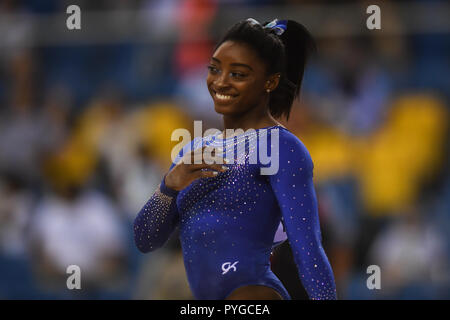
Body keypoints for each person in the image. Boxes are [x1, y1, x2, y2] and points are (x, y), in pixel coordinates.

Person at [134, 18, 337, 300]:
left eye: (238, 74)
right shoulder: (194, 150)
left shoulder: (281, 146)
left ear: (270, 81)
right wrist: (168, 186)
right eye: (215, 69)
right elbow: (145, 240)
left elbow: (309, 251)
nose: (220, 81)